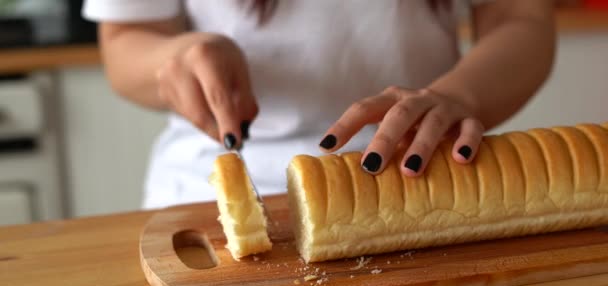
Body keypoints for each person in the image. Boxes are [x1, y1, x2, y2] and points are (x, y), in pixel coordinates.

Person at [83, 0, 555, 209]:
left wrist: (458, 96)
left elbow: (521, 16)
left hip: (419, 182)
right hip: (215, 193)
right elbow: (124, 40)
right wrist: (178, 57)